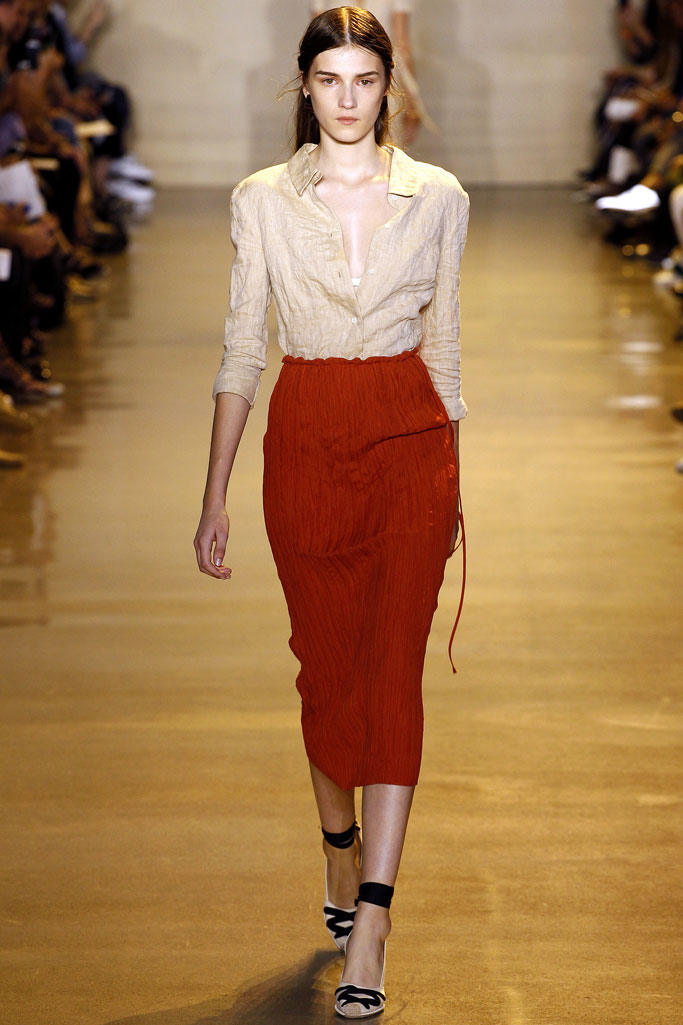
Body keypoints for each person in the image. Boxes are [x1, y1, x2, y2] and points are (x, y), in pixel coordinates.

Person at [193, 6, 470, 1018]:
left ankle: (375, 918)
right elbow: (241, 348)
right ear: (302, 86)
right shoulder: (261, 200)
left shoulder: (437, 196)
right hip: (307, 436)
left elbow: (444, 344)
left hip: (408, 439)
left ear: (388, 86)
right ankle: (337, 846)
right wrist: (214, 493)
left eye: (364, 79)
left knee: (392, 672)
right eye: (328, 80)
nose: (347, 99)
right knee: (326, 673)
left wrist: (453, 481)